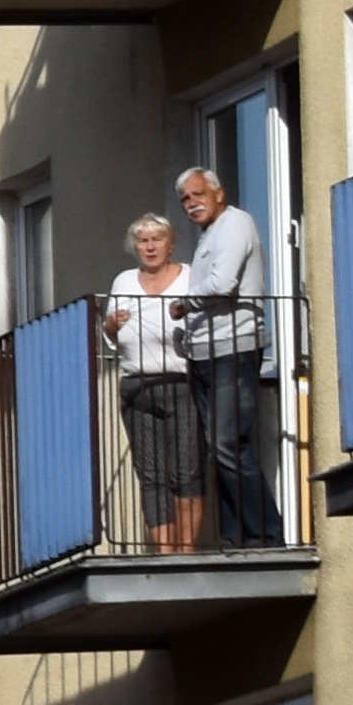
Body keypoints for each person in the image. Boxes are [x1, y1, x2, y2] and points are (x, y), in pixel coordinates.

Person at [176, 167, 279, 548]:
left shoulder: (235, 223)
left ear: (219, 193)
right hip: (208, 351)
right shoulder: (209, 235)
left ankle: (263, 535)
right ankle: (237, 536)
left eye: (197, 194)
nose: (191, 204)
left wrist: (183, 304)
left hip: (233, 349)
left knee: (226, 445)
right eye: (185, 199)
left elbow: (223, 283)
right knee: (222, 448)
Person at [108, 212, 208, 554]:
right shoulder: (123, 281)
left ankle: (186, 548)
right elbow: (109, 336)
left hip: (181, 383)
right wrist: (111, 325)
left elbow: (204, 320)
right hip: (136, 386)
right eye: (143, 241)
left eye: (156, 239)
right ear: (135, 247)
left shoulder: (189, 276)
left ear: (171, 243)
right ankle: (164, 550)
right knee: (150, 475)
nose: (150, 247)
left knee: (186, 469)